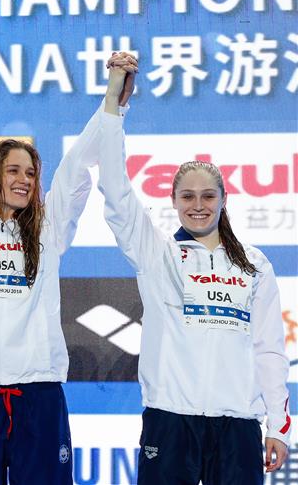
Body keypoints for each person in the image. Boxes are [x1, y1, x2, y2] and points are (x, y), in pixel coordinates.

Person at [0, 54, 133, 484]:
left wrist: (113, 100)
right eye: (14, 170)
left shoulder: (48, 228)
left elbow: (77, 164)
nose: (25, 179)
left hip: (38, 399)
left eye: (32, 173)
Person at [98, 52, 290, 484]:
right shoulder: (157, 253)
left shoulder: (254, 264)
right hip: (171, 422)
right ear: (173, 202)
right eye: (187, 197)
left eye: (207, 196)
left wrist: (277, 425)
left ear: (224, 200)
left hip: (237, 425)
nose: (198, 206)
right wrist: (115, 104)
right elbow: (113, 187)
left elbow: (269, 350)